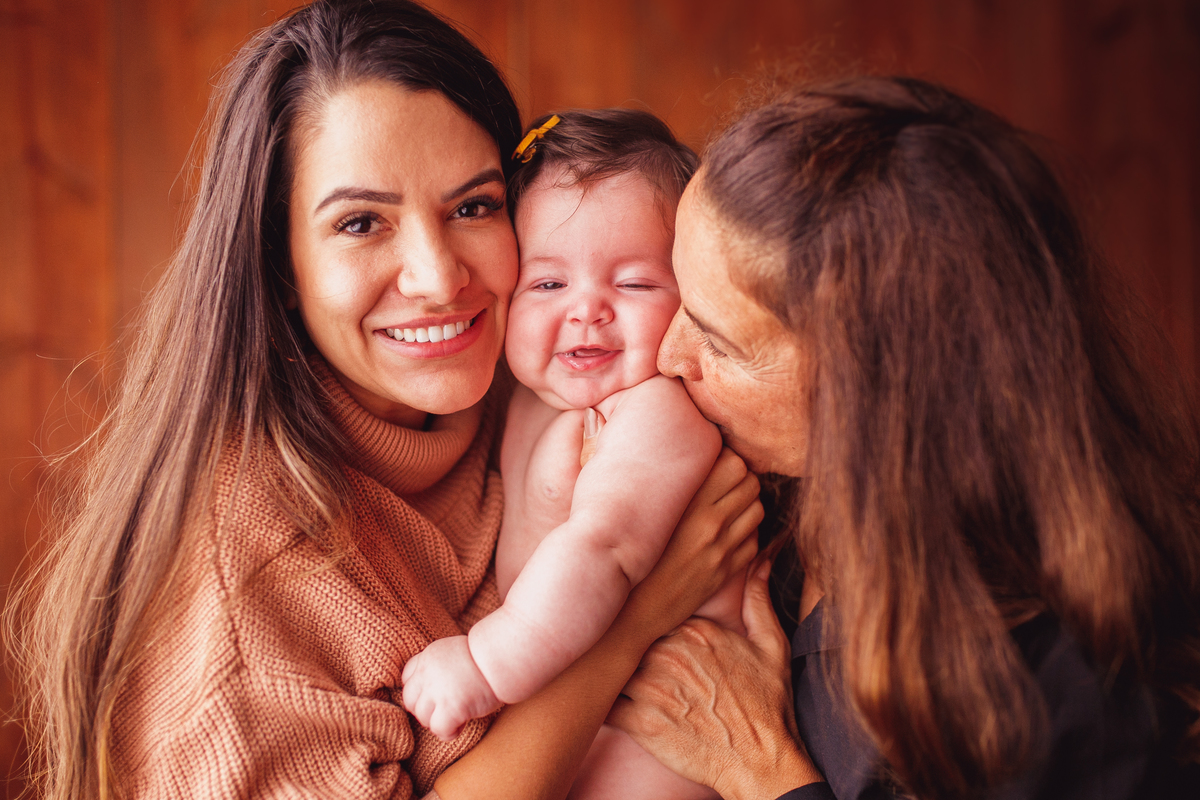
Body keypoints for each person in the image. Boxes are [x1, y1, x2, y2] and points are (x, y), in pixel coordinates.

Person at [12, 3, 762, 799]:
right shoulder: (251, 572)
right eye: (362, 222)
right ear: (280, 262)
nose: (439, 279)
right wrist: (632, 621)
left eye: (473, 206)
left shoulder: (546, 386)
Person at [607, 76, 1200, 800]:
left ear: (883, 395)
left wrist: (762, 772)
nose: (668, 357)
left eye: (721, 343)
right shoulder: (763, 493)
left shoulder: (1066, 677)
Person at [402, 109, 738, 800]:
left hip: (662, 726)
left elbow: (602, 549)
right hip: (583, 695)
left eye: (636, 284)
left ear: (693, 299)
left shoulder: (655, 412)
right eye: (549, 284)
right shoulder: (526, 394)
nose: (588, 311)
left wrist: (486, 665)